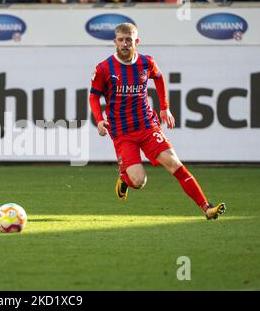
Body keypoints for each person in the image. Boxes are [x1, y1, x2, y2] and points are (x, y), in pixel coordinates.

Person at [88, 23, 226, 220]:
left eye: (129, 40)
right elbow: (94, 96)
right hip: (122, 131)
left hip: (146, 124)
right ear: (115, 42)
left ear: (136, 41)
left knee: (174, 164)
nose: (125, 44)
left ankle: (206, 207)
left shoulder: (147, 62)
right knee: (139, 181)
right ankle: (125, 176)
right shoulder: (103, 68)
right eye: (121, 40)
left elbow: (159, 79)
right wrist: (100, 120)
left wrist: (164, 107)